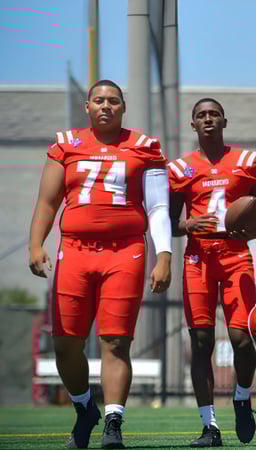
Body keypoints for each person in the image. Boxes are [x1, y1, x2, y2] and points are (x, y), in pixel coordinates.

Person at [28, 79, 172, 449]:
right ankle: (84, 408)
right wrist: (35, 245)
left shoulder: (144, 147)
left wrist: (164, 256)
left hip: (125, 251)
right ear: (87, 107)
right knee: (64, 345)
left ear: (123, 108)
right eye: (99, 100)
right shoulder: (67, 145)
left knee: (115, 341)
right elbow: (48, 202)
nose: (105, 106)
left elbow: (157, 207)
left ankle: (113, 422)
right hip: (74, 250)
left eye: (113, 101)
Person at [168, 98, 256, 447]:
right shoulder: (181, 168)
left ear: (224, 121)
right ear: (193, 125)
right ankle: (209, 426)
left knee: (242, 338)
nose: (208, 119)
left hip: (234, 254)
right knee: (200, 342)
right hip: (198, 257)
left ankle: (242, 398)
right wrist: (187, 224)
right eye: (201, 115)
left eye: (214, 114)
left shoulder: (245, 161)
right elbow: (169, 222)